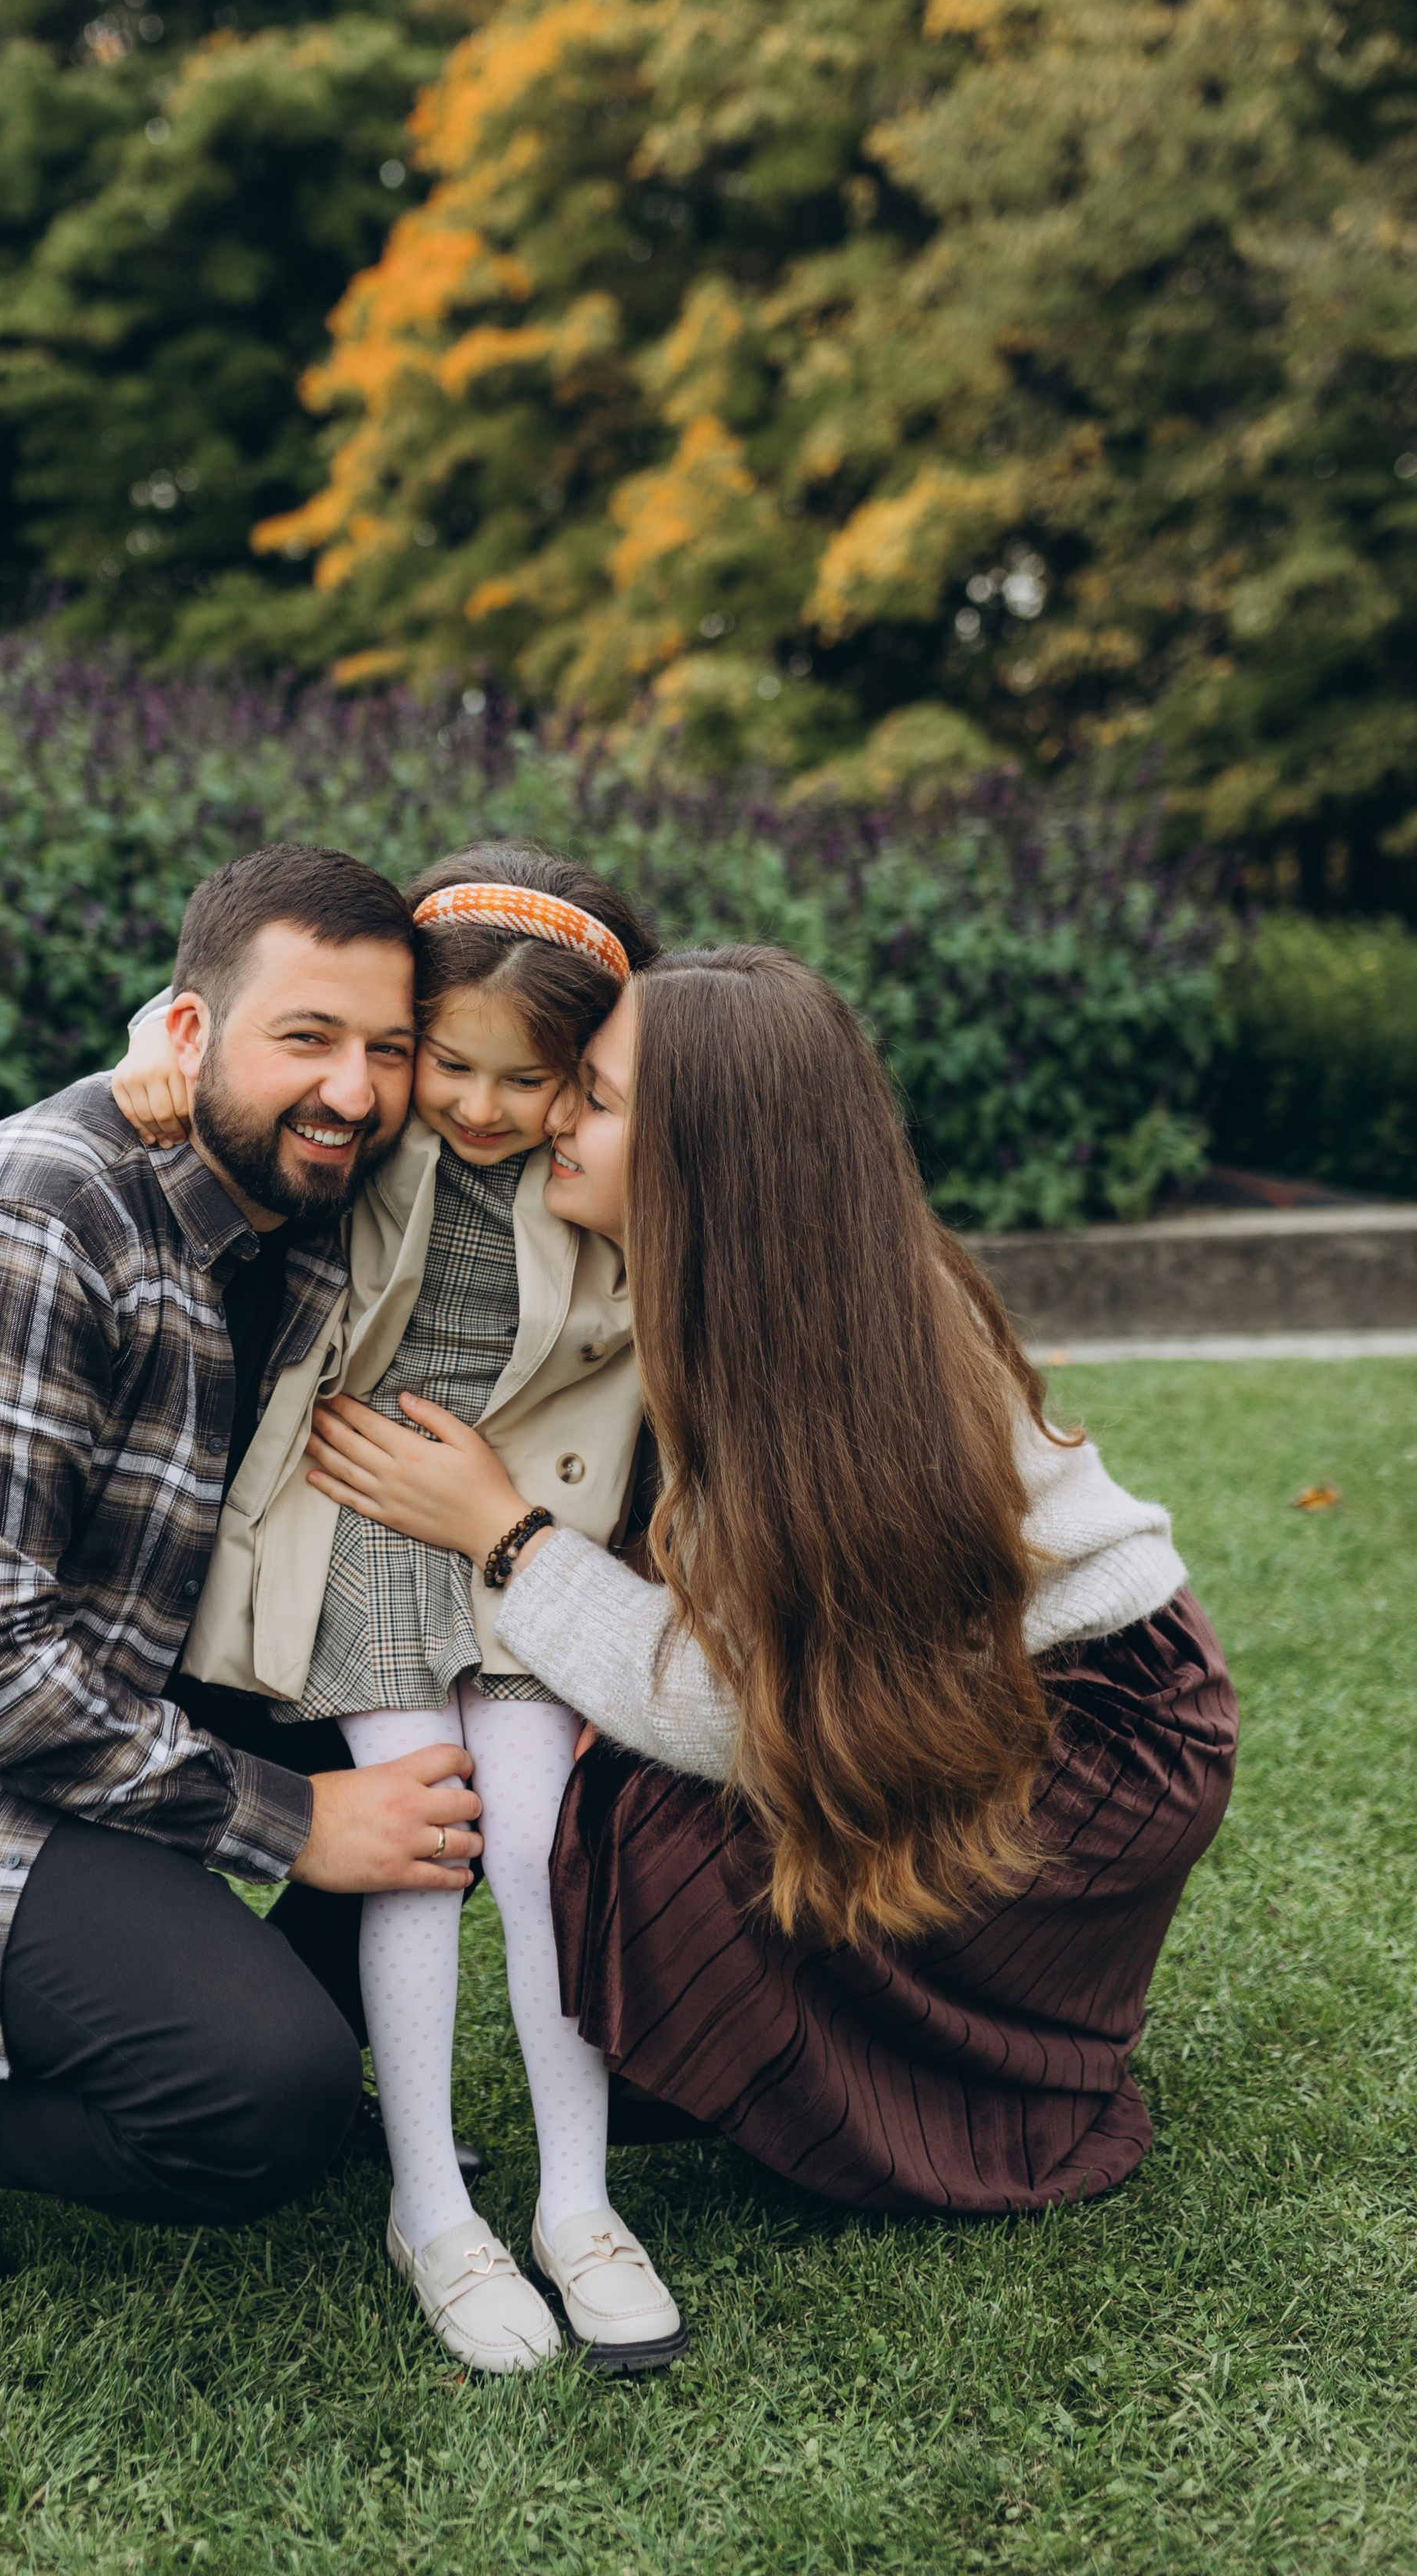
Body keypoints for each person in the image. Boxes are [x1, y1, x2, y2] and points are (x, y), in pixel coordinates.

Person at [305, 945, 1239, 2218]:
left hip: (1089, 1736)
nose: (547, 1115)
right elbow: (446, 961)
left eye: (596, 1098)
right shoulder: (730, 1254)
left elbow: (735, 1713)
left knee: (639, 1831)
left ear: (708, 1153)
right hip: (959, 1692)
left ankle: (984, 2090)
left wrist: (506, 1536)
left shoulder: (829, 1358)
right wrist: (167, 1048)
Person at [0, 843, 488, 2295]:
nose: (355, 1094)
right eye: (306, 1038)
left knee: (471, 1732)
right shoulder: (25, 1222)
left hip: (130, 1676)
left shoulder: (321, 1191)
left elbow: (543, 1099)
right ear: (188, 1034)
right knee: (258, 2102)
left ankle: (279, 2016)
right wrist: (292, 1819)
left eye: (389, 1050)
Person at [112, 847, 684, 2375]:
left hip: (521, 1531)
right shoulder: (370, 1138)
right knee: (421, 1841)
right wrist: (144, 1049)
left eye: (530, 1076)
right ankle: (429, 2207)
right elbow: (259, 1057)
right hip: (362, 1523)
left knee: (536, 1840)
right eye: (452, 1063)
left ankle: (577, 2201)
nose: (484, 1106)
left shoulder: (617, 1162)